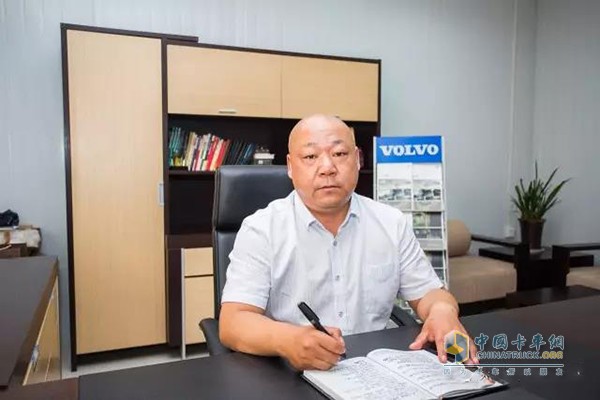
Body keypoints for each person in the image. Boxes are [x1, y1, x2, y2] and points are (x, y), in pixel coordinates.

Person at [219, 114, 478, 371]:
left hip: (377, 366)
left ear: (357, 159)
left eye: (339, 154)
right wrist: (288, 340)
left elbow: (429, 294)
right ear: (290, 166)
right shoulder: (261, 229)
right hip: (292, 371)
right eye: (310, 156)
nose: (327, 167)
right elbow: (233, 322)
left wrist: (443, 311)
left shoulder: (391, 223)